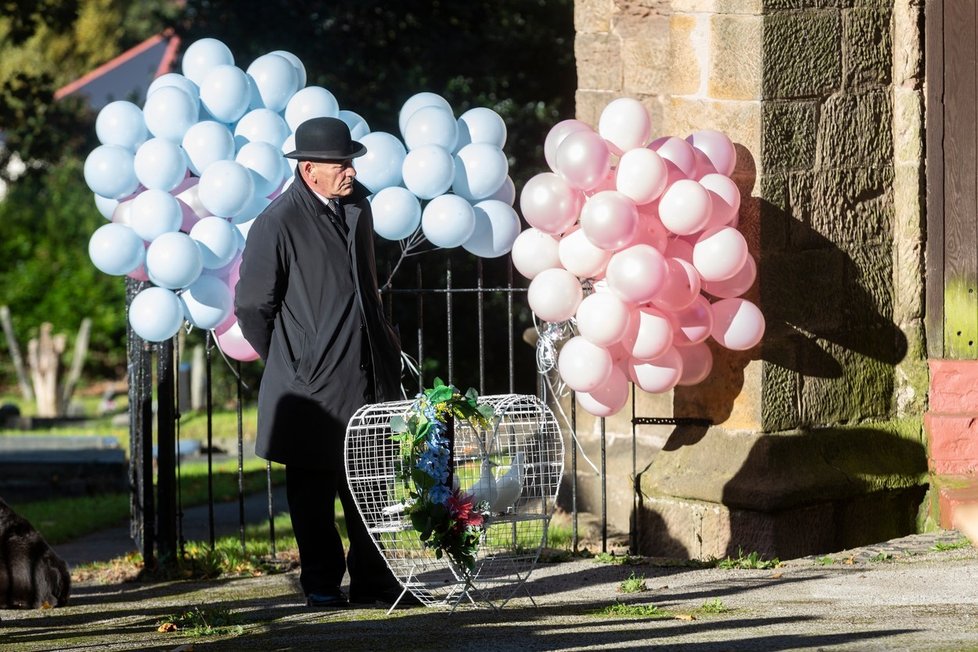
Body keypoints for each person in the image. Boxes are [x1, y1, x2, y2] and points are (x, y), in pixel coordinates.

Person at [235, 117, 410, 608]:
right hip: (310, 385)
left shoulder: (356, 206)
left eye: (351, 161)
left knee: (371, 485)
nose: (349, 171)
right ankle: (321, 585)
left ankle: (376, 583)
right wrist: (291, 361)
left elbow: (365, 287)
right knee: (313, 492)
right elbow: (252, 306)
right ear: (309, 169)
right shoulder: (278, 223)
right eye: (340, 163)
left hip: (367, 372)